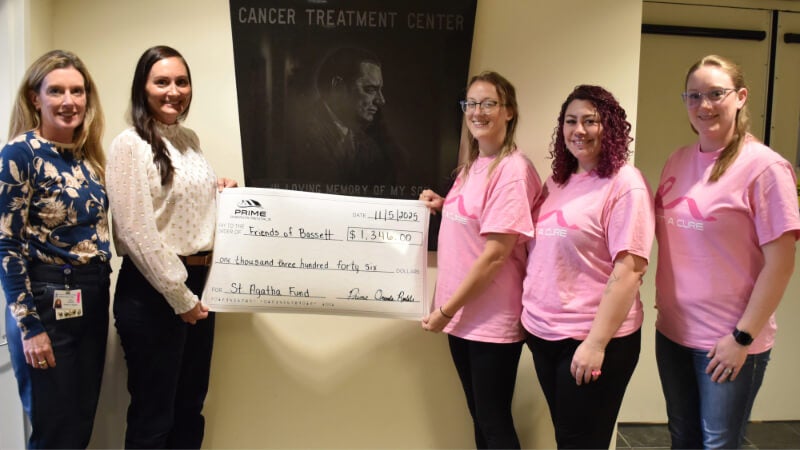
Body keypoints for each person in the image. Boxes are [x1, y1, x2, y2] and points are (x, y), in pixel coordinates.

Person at [654, 55, 800, 449]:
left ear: (740, 97)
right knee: (682, 437)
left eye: (716, 94)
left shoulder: (765, 169)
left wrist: (742, 337)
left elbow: (782, 264)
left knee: (718, 443)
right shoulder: (677, 161)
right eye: (694, 96)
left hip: (728, 342)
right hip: (671, 335)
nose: (704, 105)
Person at [106, 45, 237, 449]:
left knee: (189, 408)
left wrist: (220, 194)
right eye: (161, 81)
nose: (173, 91)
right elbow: (135, 230)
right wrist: (179, 295)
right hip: (153, 290)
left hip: (198, 284)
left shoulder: (189, 139)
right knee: (153, 416)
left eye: (181, 81)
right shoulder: (129, 144)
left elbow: (175, 204)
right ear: (142, 88)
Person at [521, 85, 654, 449]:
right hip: (544, 333)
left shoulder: (625, 184)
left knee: (581, 443)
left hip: (592, 340)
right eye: (570, 121)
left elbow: (629, 270)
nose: (578, 130)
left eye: (590, 121)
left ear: (609, 127)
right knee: (568, 437)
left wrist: (596, 343)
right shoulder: (557, 182)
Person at [419, 71, 542, 449]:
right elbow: (476, 223)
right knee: (480, 417)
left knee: (493, 422)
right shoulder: (473, 165)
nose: (478, 111)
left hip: (489, 320)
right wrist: (444, 205)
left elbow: (495, 256)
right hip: (462, 317)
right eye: (471, 103)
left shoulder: (512, 171)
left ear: (509, 112)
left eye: (489, 103)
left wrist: (445, 310)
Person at [0, 49, 111, 448]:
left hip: (92, 296)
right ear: (36, 98)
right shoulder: (20, 153)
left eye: (77, 91)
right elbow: (6, 244)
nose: (69, 101)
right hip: (45, 302)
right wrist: (30, 327)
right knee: (53, 432)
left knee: (80, 425)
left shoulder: (88, 158)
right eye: (57, 91)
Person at [290, 46, 404, 189]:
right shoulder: (301, 136)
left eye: (380, 90)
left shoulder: (368, 145)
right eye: (370, 89)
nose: (381, 100)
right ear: (338, 87)